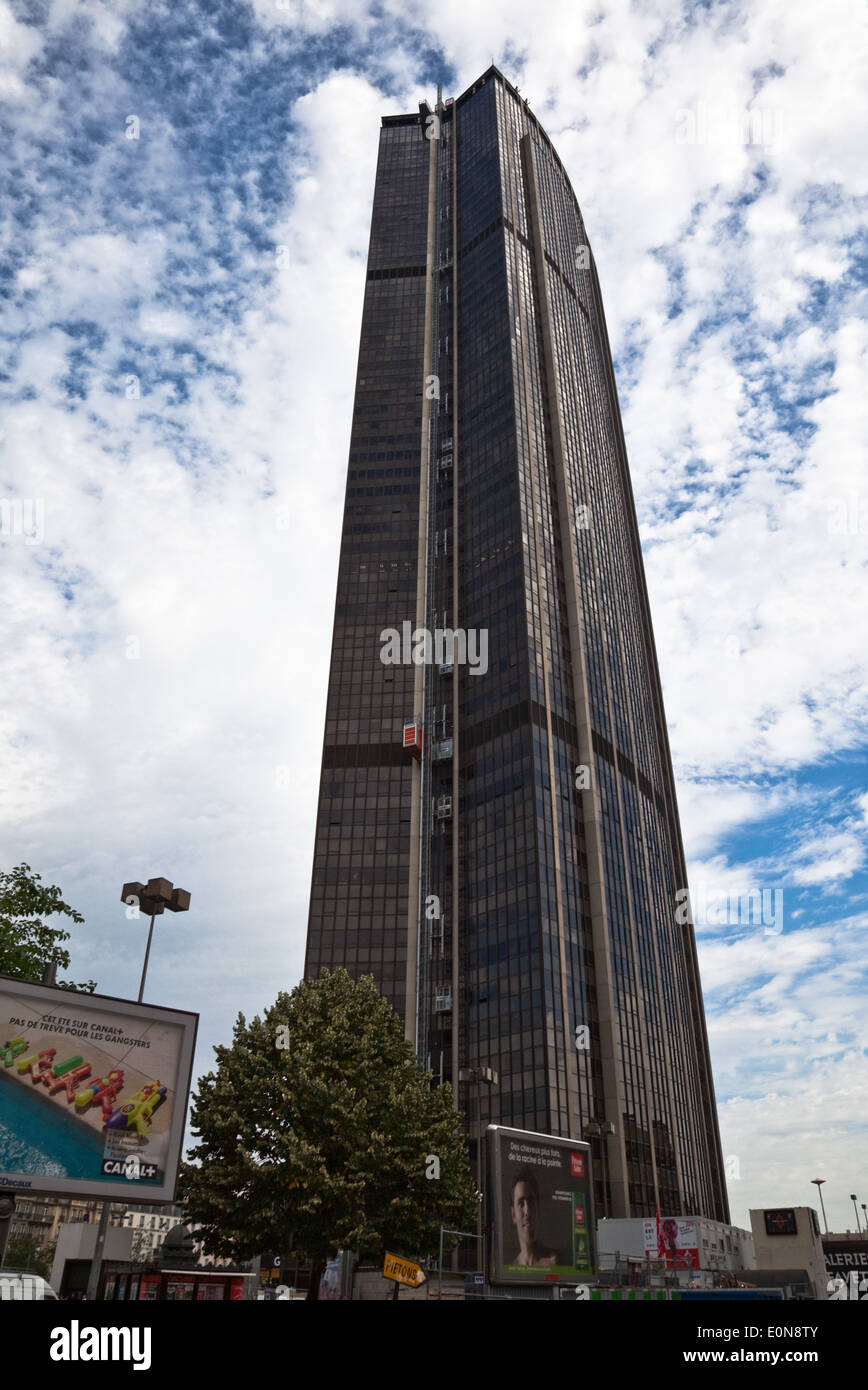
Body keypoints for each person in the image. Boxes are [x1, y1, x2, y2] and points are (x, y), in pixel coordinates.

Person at [509, 1170, 557, 1266]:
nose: (527, 1211)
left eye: (531, 1202)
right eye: (521, 1204)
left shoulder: (554, 1261)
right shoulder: (512, 1267)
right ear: (513, 1214)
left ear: (538, 1207)